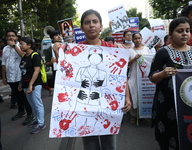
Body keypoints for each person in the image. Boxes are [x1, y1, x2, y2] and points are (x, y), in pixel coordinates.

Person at [53, 9, 131, 150]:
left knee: (109, 144)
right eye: (87, 22)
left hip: (106, 107)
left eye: (95, 22)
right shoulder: (75, 50)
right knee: (89, 144)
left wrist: (127, 96)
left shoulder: (112, 49)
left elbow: (121, 77)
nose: (91, 25)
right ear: (82, 27)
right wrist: (58, 53)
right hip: (84, 105)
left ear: (101, 26)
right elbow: (66, 75)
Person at [148, 17, 192, 150]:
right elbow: (152, 77)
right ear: (170, 34)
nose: (185, 34)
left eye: (187, 30)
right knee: (165, 134)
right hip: (166, 104)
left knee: (188, 133)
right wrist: (163, 74)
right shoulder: (163, 52)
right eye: (180, 31)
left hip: (189, 104)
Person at [1, 29, 33, 125]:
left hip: (20, 76)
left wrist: (14, 46)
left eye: (13, 35)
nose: (11, 37)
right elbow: (3, 63)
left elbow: (24, 56)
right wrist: (4, 77)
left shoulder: (21, 46)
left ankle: (30, 114)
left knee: (23, 96)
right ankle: (21, 111)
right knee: (16, 96)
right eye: (9, 36)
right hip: (10, 76)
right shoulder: (5, 49)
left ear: (16, 37)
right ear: (6, 38)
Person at [19, 37, 46, 134]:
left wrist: (30, 85)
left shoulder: (35, 56)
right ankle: (37, 120)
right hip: (26, 84)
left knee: (37, 104)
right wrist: (21, 83)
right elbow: (23, 71)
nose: (20, 46)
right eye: (20, 44)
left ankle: (41, 123)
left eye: (22, 43)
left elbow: (36, 71)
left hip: (35, 85)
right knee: (32, 104)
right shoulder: (24, 56)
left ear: (29, 45)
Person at [128, 32, 151, 124]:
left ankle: (143, 114)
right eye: (135, 38)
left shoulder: (147, 49)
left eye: (139, 38)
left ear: (142, 39)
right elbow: (127, 64)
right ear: (133, 40)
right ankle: (134, 115)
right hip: (133, 75)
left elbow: (151, 61)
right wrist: (134, 59)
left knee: (143, 94)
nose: (137, 40)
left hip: (144, 76)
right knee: (133, 94)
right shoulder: (130, 50)